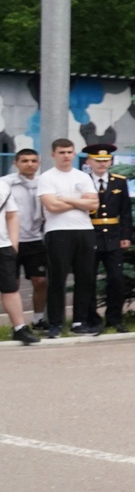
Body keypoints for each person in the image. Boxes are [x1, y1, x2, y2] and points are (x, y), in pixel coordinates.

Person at [36, 137, 100, 335]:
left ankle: (79, 322)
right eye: (62, 152)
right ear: (53, 154)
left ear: (74, 153)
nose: (66, 156)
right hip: (58, 232)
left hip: (85, 231)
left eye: (69, 152)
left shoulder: (83, 176)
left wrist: (67, 199)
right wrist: (80, 201)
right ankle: (55, 323)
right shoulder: (47, 177)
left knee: (85, 277)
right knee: (57, 279)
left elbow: (94, 205)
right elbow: (52, 206)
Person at [86, 145, 135, 331]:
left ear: (111, 161)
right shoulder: (83, 181)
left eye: (105, 160)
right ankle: (93, 320)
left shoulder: (119, 181)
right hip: (89, 235)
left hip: (113, 237)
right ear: (89, 161)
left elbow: (125, 211)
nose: (102, 164)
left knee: (116, 279)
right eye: (97, 160)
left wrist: (126, 235)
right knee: (88, 279)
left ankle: (114, 318)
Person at [0, 144, 32, 344]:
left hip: (3, 246)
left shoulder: (3, 186)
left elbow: (12, 215)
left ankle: (20, 328)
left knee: (10, 289)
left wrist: (13, 245)